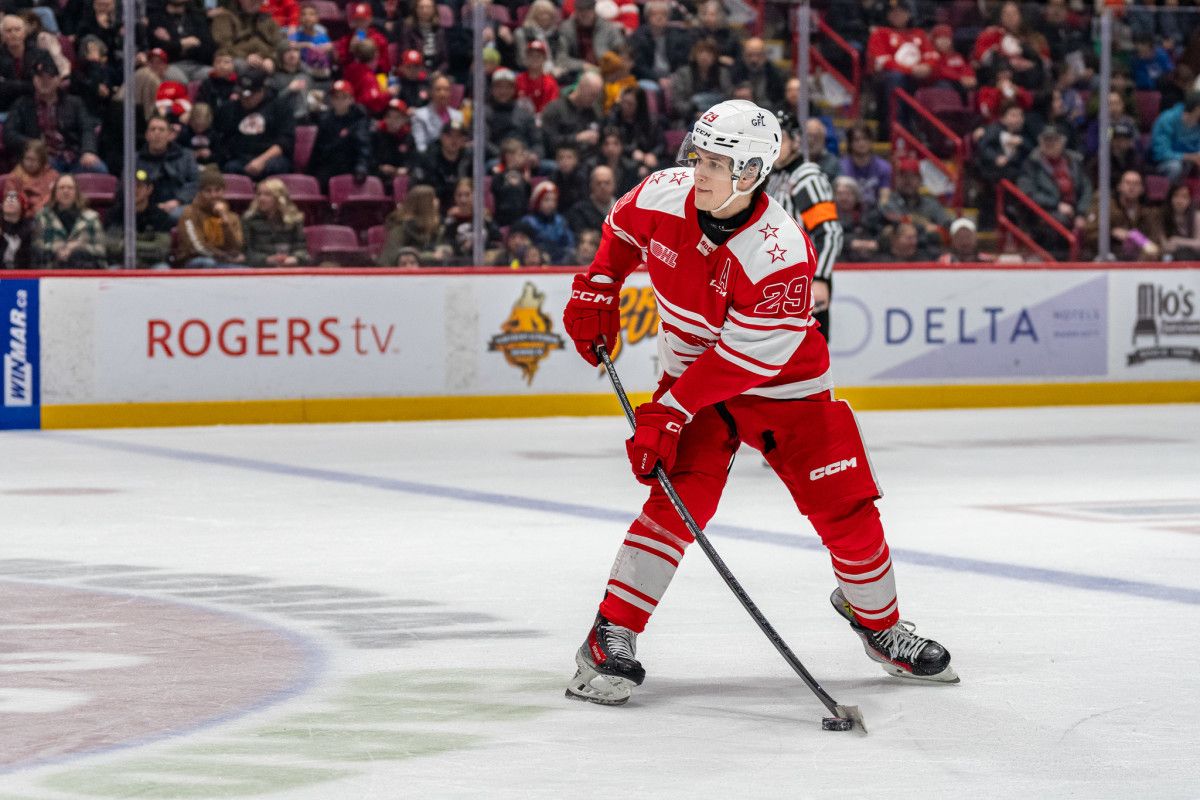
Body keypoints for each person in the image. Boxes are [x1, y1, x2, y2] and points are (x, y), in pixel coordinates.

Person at [560, 99, 956, 706]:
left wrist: (669, 408)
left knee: (847, 510)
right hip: (695, 376)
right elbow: (620, 229)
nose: (700, 170)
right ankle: (611, 632)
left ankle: (879, 624)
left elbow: (749, 361)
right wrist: (597, 287)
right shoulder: (664, 192)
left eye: (717, 162)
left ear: (751, 173)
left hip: (785, 389)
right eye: (699, 155)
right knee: (675, 502)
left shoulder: (780, 251)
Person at [768, 111, 842, 339]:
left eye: (780, 139)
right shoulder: (773, 176)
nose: (773, 146)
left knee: (805, 362)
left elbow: (829, 232)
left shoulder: (806, 177)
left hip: (803, 282)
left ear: (796, 141)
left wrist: (819, 278)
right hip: (776, 281)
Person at [4, 55, 106, 174]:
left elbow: (87, 128)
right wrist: (33, 144)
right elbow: (9, 134)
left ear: (58, 80)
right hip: (41, 158)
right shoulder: (22, 104)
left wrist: (88, 151)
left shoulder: (75, 103)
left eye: (50, 77)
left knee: (98, 169)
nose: (45, 82)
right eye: (40, 77)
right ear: (34, 80)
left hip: (73, 157)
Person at [1016, 124, 1091, 255]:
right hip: (1044, 212)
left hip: (1075, 210)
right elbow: (1027, 192)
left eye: (1054, 140)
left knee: (1097, 224)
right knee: (1058, 223)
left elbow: (1086, 187)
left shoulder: (1074, 161)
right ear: (1040, 142)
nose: (1050, 144)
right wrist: (1056, 204)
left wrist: (1081, 212)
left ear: (1062, 142)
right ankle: (1060, 261)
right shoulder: (1031, 164)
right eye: (1046, 140)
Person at [213, 68, 295, 178]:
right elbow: (222, 138)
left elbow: (285, 141)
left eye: (250, 95)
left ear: (261, 91)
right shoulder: (230, 108)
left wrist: (261, 160)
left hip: (269, 157)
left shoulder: (280, 107)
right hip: (240, 157)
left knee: (276, 167)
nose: (245, 98)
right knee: (230, 168)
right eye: (241, 94)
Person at [1084, 170, 1163, 261]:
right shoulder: (1105, 207)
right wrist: (1111, 233)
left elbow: (1155, 242)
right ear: (1119, 186)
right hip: (1110, 256)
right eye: (1128, 183)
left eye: (1136, 184)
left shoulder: (1149, 213)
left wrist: (1146, 248)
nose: (1131, 187)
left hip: (1140, 261)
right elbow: (1089, 234)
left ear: (1142, 189)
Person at [104, 169, 174, 269]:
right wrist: (147, 246)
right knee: (112, 270)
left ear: (149, 189)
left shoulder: (159, 215)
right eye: (130, 186)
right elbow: (111, 247)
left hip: (152, 264)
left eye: (139, 186)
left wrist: (126, 244)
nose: (134, 190)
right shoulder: (115, 213)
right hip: (122, 264)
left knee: (162, 269)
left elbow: (161, 249)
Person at [175, 169, 246, 267]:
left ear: (224, 191)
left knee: (243, 271)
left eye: (217, 190)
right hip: (194, 260)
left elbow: (237, 246)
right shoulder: (190, 213)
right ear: (200, 192)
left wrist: (225, 221)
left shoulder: (231, 217)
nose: (213, 195)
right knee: (208, 263)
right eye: (208, 191)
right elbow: (196, 247)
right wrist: (224, 256)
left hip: (223, 261)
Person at [34, 174, 106, 268]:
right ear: (55, 193)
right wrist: (57, 249)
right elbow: (36, 247)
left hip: (83, 272)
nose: (66, 191)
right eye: (61, 188)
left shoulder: (91, 218)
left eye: (70, 188)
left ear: (77, 192)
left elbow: (101, 250)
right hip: (51, 271)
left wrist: (79, 247)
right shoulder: (43, 217)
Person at [137, 115, 200, 221]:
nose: (157, 133)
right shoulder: (135, 159)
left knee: (179, 214)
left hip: (179, 204)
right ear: (147, 135)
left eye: (161, 130)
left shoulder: (186, 156)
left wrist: (178, 201)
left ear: (170, 135)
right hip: (146, 205)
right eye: (153, 129)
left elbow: (195, 182)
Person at [312, 80, 372, 190]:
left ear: (351, 99)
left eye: (343, 97)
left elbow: (363, 148)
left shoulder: (359, 120)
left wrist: (361, 168)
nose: (339, 101)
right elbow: (318, 149)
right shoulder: (325, 120)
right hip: (328, 167)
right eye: (336, 97)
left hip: (350, 166)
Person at [242, 177, 309, 266]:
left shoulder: (294, 220)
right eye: (259, 194)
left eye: (267, 195)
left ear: (279, 198)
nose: (261, 198)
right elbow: (246, 252)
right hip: (260, 269)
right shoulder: (249, 220)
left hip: (289, 267)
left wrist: (295, 258)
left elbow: (301, 248)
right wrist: (266, 260)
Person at [378, 184, 451, 265]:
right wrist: (429, 256)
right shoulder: (400, 228)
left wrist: (445, 250)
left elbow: (445, 246)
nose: (437, 201)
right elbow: (391, 257)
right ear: (424, 204)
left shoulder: (437, 226)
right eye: (433, 198)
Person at [541, 72, 604, 161]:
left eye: (596, 96)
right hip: (561, 162)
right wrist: (577, 138)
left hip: (588, 160)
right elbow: (550, 142)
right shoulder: (555, 109)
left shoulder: (592, 112)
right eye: (592, 95)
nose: (593, 100)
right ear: (581, 88)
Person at [669, 38, 732, 126]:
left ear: (715, 57)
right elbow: (678, 101)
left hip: (718, 116)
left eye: (709, 53)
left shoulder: (722, 73)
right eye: (701, 52)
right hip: (691, 117)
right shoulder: (683, 73)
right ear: (694, 55)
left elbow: (728, 97)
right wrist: (694, 113)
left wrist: (715, 115)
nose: (704, 56)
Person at [210, 0, 283, 74]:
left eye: (259, 1)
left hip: (265, 60)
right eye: (251, 1)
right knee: (239, 64)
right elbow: (224, 46)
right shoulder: (225, 17)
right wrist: (247, 57)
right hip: (236, 59)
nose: (256, 3)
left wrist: (271, 59)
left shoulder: (267, 19)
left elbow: (278, 45)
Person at [839, 122, 891, 211]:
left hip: (875, 215)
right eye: (856, 140)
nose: (861, 143)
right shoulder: (841, 167)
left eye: (865, 139)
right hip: (848, 215)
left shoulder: (884, 167)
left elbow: (884, 198)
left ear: (871, 141)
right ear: (850, 144)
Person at [520, 181, 574, 264]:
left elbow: (569, 244)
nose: (551, 204)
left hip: (560, 263)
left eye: (553, 200)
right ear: (537, 202)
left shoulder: (561, 221)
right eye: (546, 200)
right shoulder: (528, 222)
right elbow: (524, 249)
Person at [1151, 92, 1200, 183]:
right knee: (1175, 167)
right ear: (1197, 109)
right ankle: (1172, 193)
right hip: (1163, 162)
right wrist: (1190, 157)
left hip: (1189, 161)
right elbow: (1161, 152)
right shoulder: (1167, 119)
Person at [411, 73, 465, 153]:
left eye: (446, 89)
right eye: (438, 89)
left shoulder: (457, 116)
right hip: (430, 159)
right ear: (431, 92)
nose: (442, 94)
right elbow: (421, 146)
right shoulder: (419, 116)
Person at [4, 140, 59, 217]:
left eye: (33, 160)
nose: (29, 163)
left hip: (49, 215)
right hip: (24, 219)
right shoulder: (14, 177)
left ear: (42, 161)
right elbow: (11, 202)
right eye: (27, 159)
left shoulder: (52, 175)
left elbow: (55, 197)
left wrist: (41, 206)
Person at [395, 0, 445, 74]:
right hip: (414, 70)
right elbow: (405, 53)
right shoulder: (408, 29)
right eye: (421, 7)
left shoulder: (439, 30)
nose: (425, 10)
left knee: (442, 83)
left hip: (436, 71)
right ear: (416, 9)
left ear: (434, 9)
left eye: (428, 7)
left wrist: (438, 72)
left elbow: (445, 60)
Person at [566, 163, 616, 237]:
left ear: (614, 184)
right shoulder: (579, 211)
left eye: (607, 183)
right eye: (598, 183)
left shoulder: (624, 209)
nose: (603, 187)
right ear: (591, 185)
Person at [373, 99, 417, 181]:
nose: (392, 121)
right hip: (379, 178)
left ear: (404, 119)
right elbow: (370, 159)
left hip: (401, 179)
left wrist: (406, 169)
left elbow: (412, 160)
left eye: (397, 117)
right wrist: (380, 168)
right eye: (389, 116)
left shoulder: (408, 137)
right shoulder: (376, 135)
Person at [515, 40, 559, 115]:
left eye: (538, 56)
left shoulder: (550, 83)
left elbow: (552, 108)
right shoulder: (518, 79)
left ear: (544, 59)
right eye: (531, 55)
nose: (534, 59)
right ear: (526, 58)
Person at [1161, 182, 1200, 261]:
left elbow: (1198, 244)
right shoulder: (1164, 217)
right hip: (1173, 258)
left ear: (1190, 200)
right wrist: (1168, 246)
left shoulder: (1197, 217)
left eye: (1184, 197)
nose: (1180, 200)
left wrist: (1177, 240)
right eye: (1176, 196)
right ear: (1170, 198)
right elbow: (1164, 245)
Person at [0, 189, 35, 269]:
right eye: (7, 199)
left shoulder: (29, 228)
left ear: (22, 206)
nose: (10, 201)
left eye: (15, 199)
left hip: (22, 273)